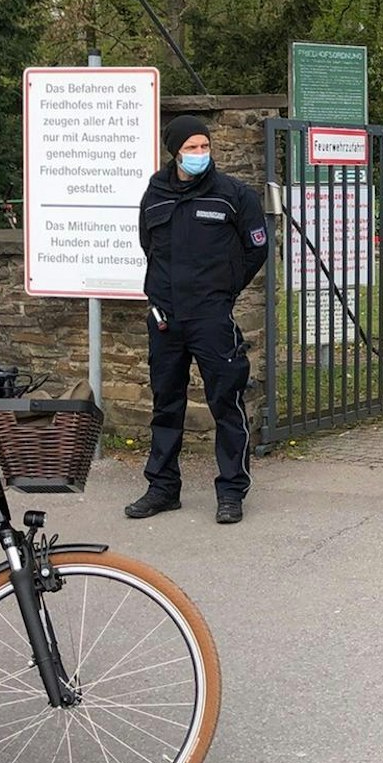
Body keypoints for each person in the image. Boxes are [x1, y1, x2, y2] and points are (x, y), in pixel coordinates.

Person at [125, 114, 268, 526]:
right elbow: (147, 244)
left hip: (211, 316)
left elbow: (256, 248)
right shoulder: (155, 194)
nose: (200, 155)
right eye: (192, 148)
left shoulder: (233, 195)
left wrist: (224, 289)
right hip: (167, 317)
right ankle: (163, 487)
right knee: (165, 403)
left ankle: (231, 491)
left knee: (226, 402)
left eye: (205, 147)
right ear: (175, 152)